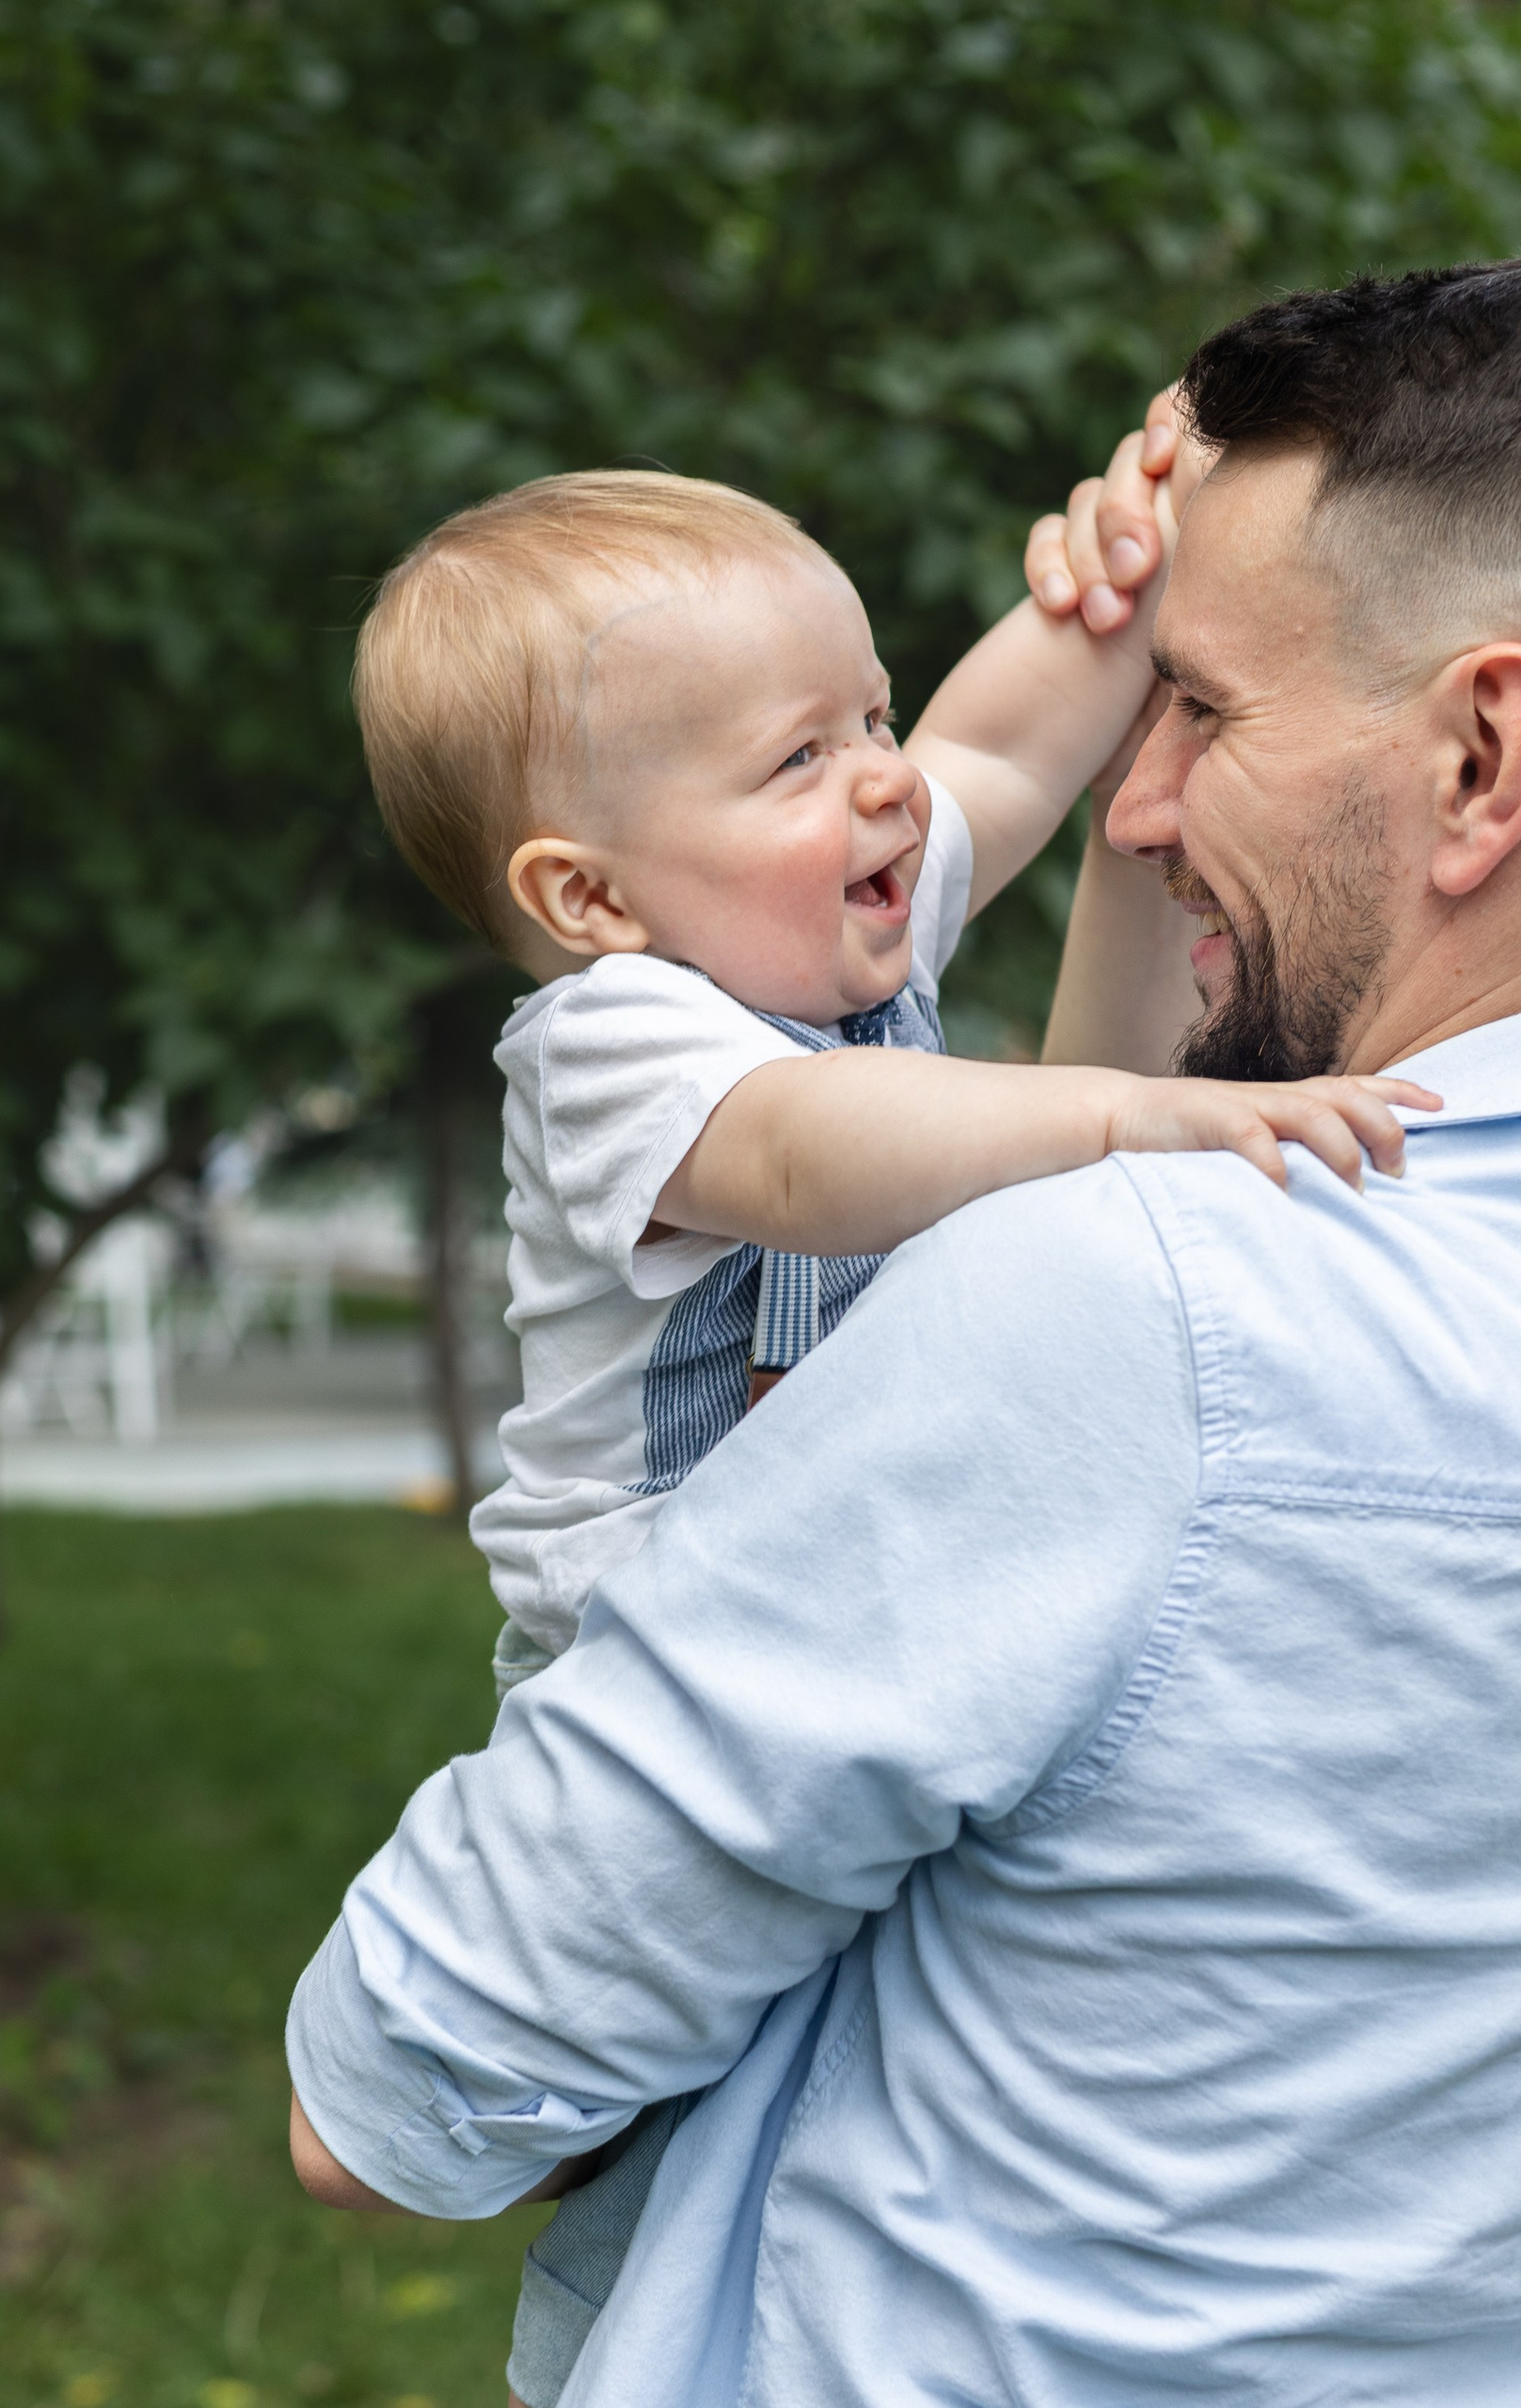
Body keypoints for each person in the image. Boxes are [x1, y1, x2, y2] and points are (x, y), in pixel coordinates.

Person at [289, 258, 1521, 2407]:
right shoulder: (627, 1050)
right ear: (581, 887)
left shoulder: (1127, 1300)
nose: (1124, 799)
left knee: (629, 2143)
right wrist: (1171, 607)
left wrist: (1105, 601)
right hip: (633, 1580)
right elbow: (849, 1150)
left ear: (1479, 749)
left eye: (1203, 716)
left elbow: (380, 2116)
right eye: (800, 753)